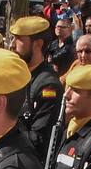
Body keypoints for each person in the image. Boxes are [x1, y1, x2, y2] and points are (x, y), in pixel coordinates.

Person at [7, 15, 63, 158]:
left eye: (18, 39)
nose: (12, 45)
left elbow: (39, 140)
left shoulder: (47, 85)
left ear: (37, 44)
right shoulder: (17, 77)